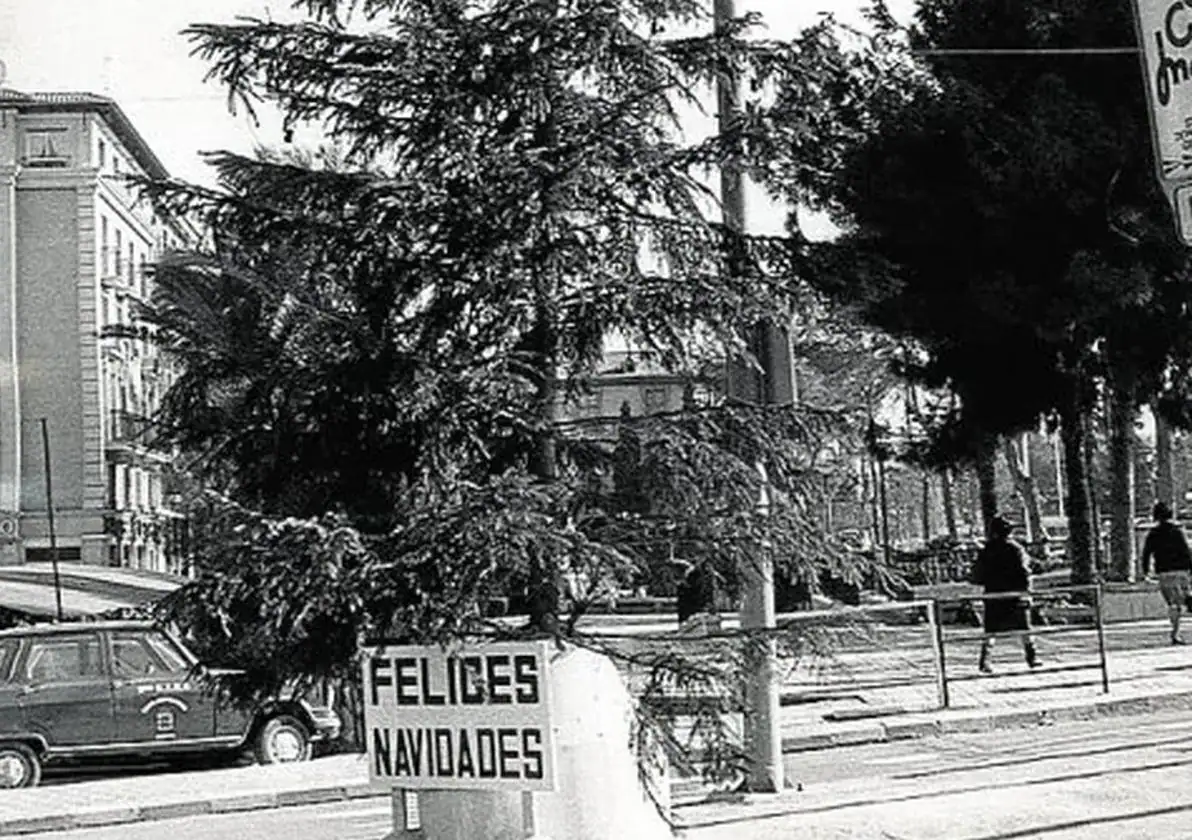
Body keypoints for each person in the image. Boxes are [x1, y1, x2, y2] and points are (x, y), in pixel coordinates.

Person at [973, 515, 1040, 673]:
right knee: (1024, 627)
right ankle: (1032, 656)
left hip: (993, 594)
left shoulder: (986, 550)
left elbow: (977, 574)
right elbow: (1025, 572)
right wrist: (1027, 591)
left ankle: (985, 660)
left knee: (990, 630)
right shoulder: (1016, 549)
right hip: (1014, 594)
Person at [1141, 501, 1192, 645]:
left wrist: (1146, 572)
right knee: (1182, 600)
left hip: (1164, 572)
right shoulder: (1177, 531)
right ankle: (1186, 604)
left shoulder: (1153, 534)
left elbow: (1146, 554)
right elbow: (1186, 551)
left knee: (1172, 604)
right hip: (1181, 571)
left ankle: (1175, 632)